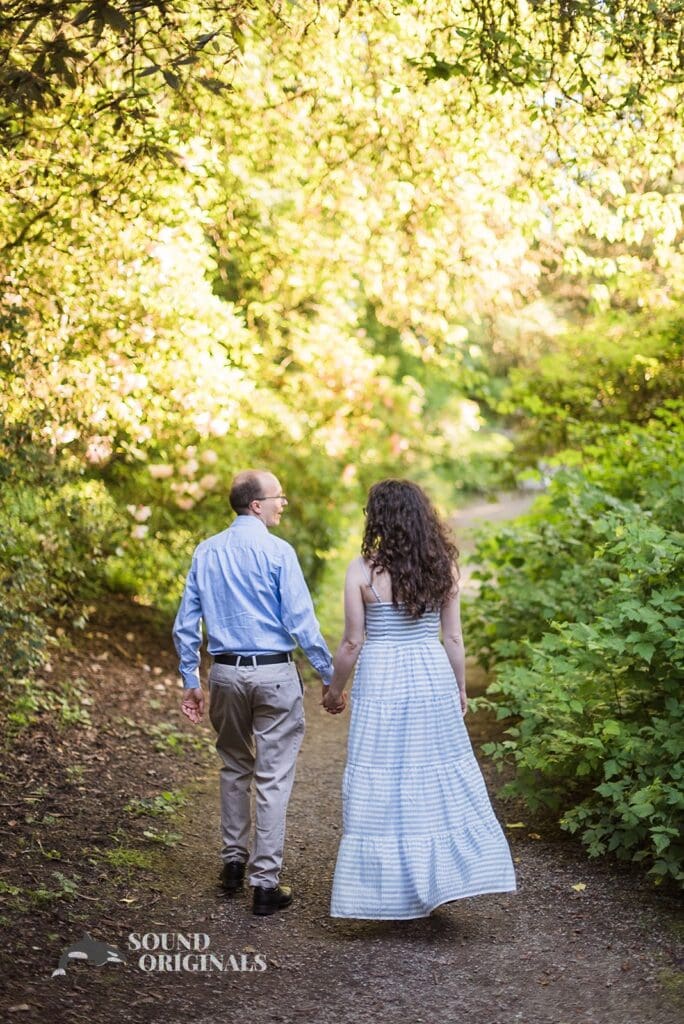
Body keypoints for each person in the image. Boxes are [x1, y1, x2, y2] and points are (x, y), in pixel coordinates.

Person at [322, 479, 516, 919]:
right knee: (431, 777)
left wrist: (335, 691)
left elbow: (353, 642)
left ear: (378, 519)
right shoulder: (441, 565)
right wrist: (459, 687)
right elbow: (452, 636)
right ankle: (440, 877)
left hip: (383, 676)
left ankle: (390, 889)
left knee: (386, 777)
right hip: (430, 673)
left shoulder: (362, 570)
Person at [173, 468, 339, 916]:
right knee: (272, 776)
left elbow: (186, 623)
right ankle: (265, 884)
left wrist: (191, 680)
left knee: (233, 765)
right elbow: (302, 621)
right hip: (274, 675)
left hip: (225, 675)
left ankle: (232, 864)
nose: (284, 503)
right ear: (256, 505)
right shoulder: (279, 552)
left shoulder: (206, 552)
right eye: (278, 497)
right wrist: (329, 674)